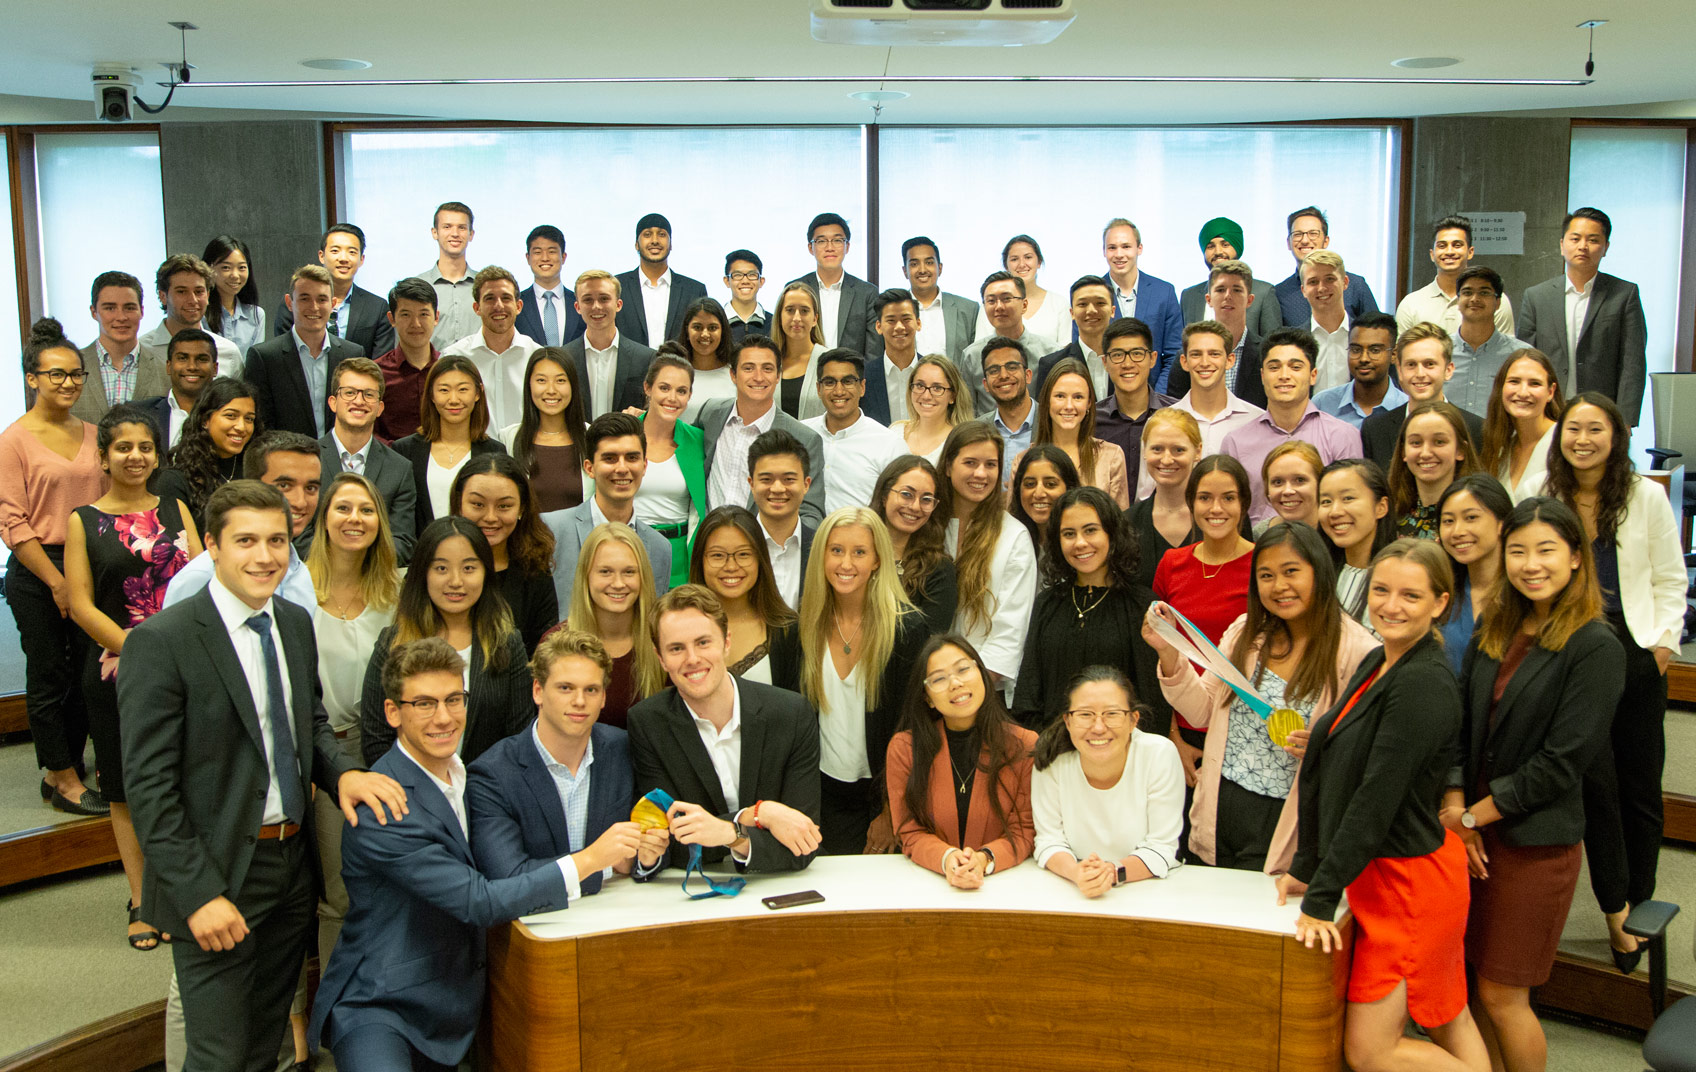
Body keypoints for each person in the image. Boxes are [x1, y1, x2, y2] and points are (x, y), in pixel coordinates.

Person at [119, 480, 405, 1072]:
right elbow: (149, 788)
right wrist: (198, 895)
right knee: (219, 1055)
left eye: (277, 540)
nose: (265, 555)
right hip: (216, 874)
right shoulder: (162, 642)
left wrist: (342, 776)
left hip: (288, 869)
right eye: (245, 540)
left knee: (265, 1044)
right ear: (211, 546)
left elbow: (312, 725)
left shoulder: (295, 623)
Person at [309, 638, 577, 1072]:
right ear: (393, 712)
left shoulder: (467, 775)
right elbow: (478, 901)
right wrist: (589, 860)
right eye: (424, 704)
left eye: (454, 699)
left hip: (458, 1004)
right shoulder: (384, 802)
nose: (444, 717)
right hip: (380, 1007)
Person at [1280, 539, 1490, 1072]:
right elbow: (1343, 759)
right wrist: (1309, 869)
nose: (1391, 605)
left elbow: (1375, 800)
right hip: (1390, 874)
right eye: (1381, 590)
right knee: (1448, 1017)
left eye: (1411, 596)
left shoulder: (1423, 682)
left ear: (1441, 603)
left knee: (1371, 1052)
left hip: (1409, 884)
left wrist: (1321, 897)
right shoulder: (1381, 658)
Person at [1446, 497, 1623, 1072]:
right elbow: (1459, 726)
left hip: (1532, 846)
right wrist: (1456, 807)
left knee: (1504, 995)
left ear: (1576, 557)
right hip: (1471, 840)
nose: (1530, 564)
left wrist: (1474, 817)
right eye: (1518, 550)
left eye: (1546, 550)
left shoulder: (1595, 646)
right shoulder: (1495, 627)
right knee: (1473, 990)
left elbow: (1560, 764)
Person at [1146, 522, 1377, 872]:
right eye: (1266, 575)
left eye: (1291, 572)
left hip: (1291, 817)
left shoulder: (1358, 650)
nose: (1279, 586)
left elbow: (1370, 747)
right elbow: (1203, 711)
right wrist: (1168, 652)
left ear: (1320, 572)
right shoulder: (1245, 632)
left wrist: (1326, 745)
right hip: (1223, 806)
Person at [1546, 393, 1686, 971]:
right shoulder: (1547, 496)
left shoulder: (1645, 496)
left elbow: (1670, 577)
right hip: (1572, 653)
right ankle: (1617, 908)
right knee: (1597, 784)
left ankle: (1644, 901)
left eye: (1594, 429)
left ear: (1615, 436)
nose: (1582, 438)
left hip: (1633, 648)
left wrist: (1661, 646)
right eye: (1573, 428)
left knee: (1639, 786)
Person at [64, 405, 199, 945]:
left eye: (145, 447)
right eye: (123, 448)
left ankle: (183, 888)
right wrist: (146, 651)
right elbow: (80, 605)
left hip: (189, 664)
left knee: (186, 780)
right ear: (103, 458)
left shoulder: (176, 509)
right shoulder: (83, 520)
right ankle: (142, 897)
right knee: (125, 787)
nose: (135, 457)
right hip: (119, 668)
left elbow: (201, 580)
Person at [628, 584, 823, 875]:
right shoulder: (648, 723)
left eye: (703, 642)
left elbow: (802, 843)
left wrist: (726, 830)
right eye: (676, 648)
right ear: (660, 658)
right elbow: (670, 842)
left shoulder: (791, 714)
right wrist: (757, 815)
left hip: (780, 884)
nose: (692, 658)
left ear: (726, 642)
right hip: (695, 889)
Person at [3, 320, 112, 815]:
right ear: (32, 379)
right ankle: (61, 776)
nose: (67, 383)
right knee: (50, 673)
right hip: (39, 568)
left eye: (75, 375)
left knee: (90, 671)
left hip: (88, 558)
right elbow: (12, 522)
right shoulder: (14, 441)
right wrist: (57, 582)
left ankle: (71, 758)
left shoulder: (94, 433)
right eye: (55, 375)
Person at [468, 625, 664, 887]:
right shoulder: (492, 774)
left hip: (621, 913)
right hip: (536, 923)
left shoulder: (624, 750)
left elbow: (649, 848)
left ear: (604, 697)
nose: (580, 701)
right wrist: (595, 861)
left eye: (591, 690)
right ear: (538, 691)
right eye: (565, 688)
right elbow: (509, 876)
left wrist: (646, 858)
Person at [302, 472, 400, 971]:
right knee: (338, 894)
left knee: (388, 881)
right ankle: (336, 1018)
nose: (354, 519)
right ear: (323, 519)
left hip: (385, 747)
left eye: (366, 510)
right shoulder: (295, 586)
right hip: (323, 752)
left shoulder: (397, 589)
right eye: (343, 508)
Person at [798, 508, 927, 854]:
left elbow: (914, 729)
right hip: (818, 795)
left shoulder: (908, 630)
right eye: (836, 550)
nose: (846, 563)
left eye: (859, 552)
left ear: (878, 561)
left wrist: (891, 812)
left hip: (881, 798)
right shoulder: (802, 628)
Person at [359, 517, 530, 765]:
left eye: (469, 568)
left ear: (486, 573)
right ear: (422, 573)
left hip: (487, 792)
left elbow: (518, 738)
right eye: (441, 568)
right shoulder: (393, 642)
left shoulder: (506, 642)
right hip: (409, 794)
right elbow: (376, 740)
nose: (456, 581)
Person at [886, 634, 1038, 886]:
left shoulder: (1023, 744)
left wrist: (984, 859)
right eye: (938, 679)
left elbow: (1024, 829)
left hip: (1006, 883)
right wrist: (947, 859)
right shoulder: (905, 748)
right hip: (930, 883)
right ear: (927, 697)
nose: (955, 683)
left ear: (982, 675)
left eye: (963, 669)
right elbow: (909, 830)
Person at [1014, 486, 1168, 733]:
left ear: (1112, 533)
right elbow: (1028, 693)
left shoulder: (1141, 605)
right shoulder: (1047, 603)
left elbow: (1152, 702)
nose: (1080, 543)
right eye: (1068, 534)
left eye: (1090, 530)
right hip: (1054, 754)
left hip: (1123, 755)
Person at [1151, 455, 1256, 806]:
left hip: (1244, 731)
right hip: (1182, 731)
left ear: (1244, 503)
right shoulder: (1172, 564)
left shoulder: (1263, 566)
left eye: (1228, 497)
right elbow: (1158, 650)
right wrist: (1172, 738)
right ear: (1191, 501)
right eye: (1205, 498)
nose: (1216, 508)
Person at [1032, 666, 1186, 894]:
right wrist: (1078, 874)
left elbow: (1161, 846)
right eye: (1085, 714)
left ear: (1134, 719)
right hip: (1073, 888)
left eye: (1112, 714)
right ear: (1067, 721)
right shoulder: (1052, 759)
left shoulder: (1159, 755)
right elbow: (1048, 840)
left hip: (1150, 887)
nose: (1098, 727)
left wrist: (1111, 873)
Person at [161, 430, 321, 612]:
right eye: (284, 486)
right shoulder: (201, 578)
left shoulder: (299, 574)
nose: (300, 502)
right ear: (251, 484)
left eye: (311, 488)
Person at [1515, 206, 1647, 424]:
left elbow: (1632, 363)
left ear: (1606, 247)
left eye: (1593, 240)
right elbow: (1525, 359)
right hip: (1547, 409)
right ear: (1562, 245)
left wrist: (1625, 419)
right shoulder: (1537, 296)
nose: (1583, 246)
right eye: (1575, 239)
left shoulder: (1624, 294)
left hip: (1602, 410)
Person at [1222, 328, 1362, 521]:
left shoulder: (1342, 436)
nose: (1284, 375)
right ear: (1262, 376)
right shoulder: (1235, 442)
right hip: (1258, 547)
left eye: (1295, 367)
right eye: (1274, 367)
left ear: (1313, 375)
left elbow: (1351, 506)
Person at [940, 421, 1038, 695]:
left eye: (990, 464)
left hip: (984, 692)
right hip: (923, 686)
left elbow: (1010, 631)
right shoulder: (927, 527)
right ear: (948, 467)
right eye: (970, 462)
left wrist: (965, 690)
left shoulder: (1013, 536)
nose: (980, 474)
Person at [542, 411, 672, 613]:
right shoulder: (551, 531)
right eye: (610, 458)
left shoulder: (659, 548)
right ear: (589, 468)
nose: (622, 468)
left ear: (644, 465)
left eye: (632, 457)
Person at [698, 335, 827, 527]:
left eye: (767, 369)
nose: (758, 377)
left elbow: (811, 515)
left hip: (766, 550)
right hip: (709, 545)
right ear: (733, 375)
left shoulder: (804, 439)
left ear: (778, 376)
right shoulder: (711, 414)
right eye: (748, 368)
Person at [452, 453, 559, 654]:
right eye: (478, 505)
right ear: (459, 503)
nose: (490, 517)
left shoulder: (535, 571)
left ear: (522, 508)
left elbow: (545, 651)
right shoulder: (433, 561)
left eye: (504, 506)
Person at [563, 523, 667, 729]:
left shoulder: (663, 641)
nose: (618, 583)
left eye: (629, 572)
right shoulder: (558, 644)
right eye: (605, 572)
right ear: (586, 576)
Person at [389, 354, 508, 532]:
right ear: (431, 395)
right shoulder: (405, 450)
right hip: (418, 555)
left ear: (478, 393)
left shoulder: (494, 451)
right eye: (444, 390)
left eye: (462, 390)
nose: (453, 399)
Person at [244, 265, 366, 438]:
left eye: (322, 299)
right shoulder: (264, 358)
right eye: (304, 298)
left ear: (332, 304)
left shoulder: (352, 354)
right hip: (286, 458)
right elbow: (261, 424)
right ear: (289, 303)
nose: (314, 307)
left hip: (339, 460)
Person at [318, 356, 417, 562]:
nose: (359, 401)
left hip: (375, 583)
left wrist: (359, 564)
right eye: (350, 392)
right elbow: (299, 533)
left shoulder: (400, 468)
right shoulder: (308, 460)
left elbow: (403, 541)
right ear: (333, 402)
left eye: (369, 394)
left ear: (380, 408)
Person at [690, 506, 800, 688]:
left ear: (760, 559)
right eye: (718, 555)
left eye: (743, 554)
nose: (731, 566)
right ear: (700, 560)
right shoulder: (679, 626)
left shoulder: (788, 630)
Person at [1360, 323, 1487, 472]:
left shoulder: (1477, 429)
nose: (1420, 374)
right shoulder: (1375, 430)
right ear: (1399, 371)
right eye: (1411, 364)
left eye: (1429, 364)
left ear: (1448, 370)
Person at [633, 350, 707, 586]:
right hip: (628, 548)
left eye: (681, 391)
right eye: (664, 388)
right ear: (648, 388)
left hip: (679, 557)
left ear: (690, 396)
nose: (672, 398)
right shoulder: (624, 432)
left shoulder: (697, 441)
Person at [801, 348, 904, 515]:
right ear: (819, 389)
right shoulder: (800, 434)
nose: (839, 391)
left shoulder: (889, 444)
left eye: (848, 381)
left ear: (862, 387)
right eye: (829, 382)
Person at [1017, 357, 1130, 509]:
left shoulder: (1112, 456)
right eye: (1060, 396)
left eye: (1078, 397)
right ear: (1047, 400)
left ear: (1089, 402)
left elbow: (1119, 523)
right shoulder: (1022, 460)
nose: (1069, 406)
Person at [270, 224, 396, 360]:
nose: (343, 258)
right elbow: (284, 353)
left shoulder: (377, 307)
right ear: (321, 256)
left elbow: (380, 363)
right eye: (335, 251)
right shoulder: (296, 303)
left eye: (352, 252)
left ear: (361, 260)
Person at [1162, 319, 1263, 485]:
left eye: (1214, 354)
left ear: (1230, 360)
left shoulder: (1257, 422)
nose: (1205, 363)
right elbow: (1147, 495)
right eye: (1196, 354)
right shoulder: (1163, 423)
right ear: (1184, 362)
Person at [440, 265, 539, 432]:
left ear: (519, 306)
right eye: (489, 298)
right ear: (476, 308)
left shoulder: (536, 356)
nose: (498, 305)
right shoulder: (455, 357)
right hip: (474, 455)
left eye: (506, 298)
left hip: (525, 456)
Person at [871, 455, 959, 638]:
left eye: (926, 499)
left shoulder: (939, 569)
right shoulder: (857, 551)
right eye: (906, 494)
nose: (915, 507)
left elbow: (930, 643)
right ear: (885, 495)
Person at [153, 377, 259, 527]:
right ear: (205, 420)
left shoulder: (258, 471)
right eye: (231, 416)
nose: (242, 427)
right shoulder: (175, 481)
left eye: (249, 419)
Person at [1436, 473, 1512, 675]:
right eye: (1448, 521)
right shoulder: (1440, 591)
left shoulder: (1524, 591)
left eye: (1471, 518)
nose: (1458, 531)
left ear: (1501, 524)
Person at [1396, 214, 1518, 339]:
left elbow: (1505, 352)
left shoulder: (1495, 300)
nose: (1449, 252)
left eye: (1457, 245)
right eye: (1442, 246)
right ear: (1432, 254)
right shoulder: (1411, 304)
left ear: (1470, 252)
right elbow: (1402, 355)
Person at [497, 347, 588, 514]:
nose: (551, 390)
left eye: (560, 381)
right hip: (526, 539)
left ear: (573, 385)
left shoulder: (591, 436)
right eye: (541, 380)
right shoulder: (508, 438)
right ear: (529, 385)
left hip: (582, 539)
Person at [1167, 260, 1268, 404]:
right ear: (1208, 299)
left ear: (1250, 300)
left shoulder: (1265, 353)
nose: (1228, 296)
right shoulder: (1187, 355)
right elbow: (1176, 408)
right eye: (1220, 290)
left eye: (1237, 290)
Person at [74, 271, 169, 422]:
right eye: (110, 308)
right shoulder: (72, 368)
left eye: (129, 308)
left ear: (142, 311)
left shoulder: (166, 371)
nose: (121, 317)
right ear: (94, 312)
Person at [1099, 219, 1184, 390]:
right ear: (1104, 251)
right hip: (1106, 402)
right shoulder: (1093, 295)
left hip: (1155, 399)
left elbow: (1174, 354)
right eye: (1112, 248)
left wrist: (1158, 398)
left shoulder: (1164, 292)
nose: (1119, 254)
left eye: (1126, 246)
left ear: (1139, 248)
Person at [1093, 317, 1175, 491]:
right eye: (1117, 355)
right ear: (1105, 363)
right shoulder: (1091, 420)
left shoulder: (1176, 415)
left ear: (1153, 359)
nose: (1128, 364)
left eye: (1137, 353)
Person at [1126, 408, 1201, 589]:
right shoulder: (1127, 522)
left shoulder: (1223, 517)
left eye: (1178, 450)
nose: (1166, 460)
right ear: (1144, 451)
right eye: (1157, 449)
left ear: (1198, 452)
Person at [566, 268, 656, 419]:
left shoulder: (646, 358)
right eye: (588, 300)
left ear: (618, 304)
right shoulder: (564, 358)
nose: (596, 306)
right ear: (578, 307)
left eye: (604, 299)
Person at [1477, 348, 1562, 504]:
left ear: (1550, 392)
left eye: (1534, 384)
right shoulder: (1500, 448)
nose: (1523, 392)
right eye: (1514, 381)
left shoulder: (1564, 441)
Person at [790, 211, 880, 359]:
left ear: (847, 246)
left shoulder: (867, 293)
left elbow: (873, 353)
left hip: (851, 379)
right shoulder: (796, 289)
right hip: (805, 376)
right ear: (811, 248)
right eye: (821, 241)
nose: (830, 247)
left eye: (837, 241)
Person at [1317, 458, 1395, 625]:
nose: (1335, 511)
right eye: (1326, 502)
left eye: (1348, 498)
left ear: (1381, 507)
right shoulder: (1316, 575)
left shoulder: (1401, 577)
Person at [614, 212, 708, 347]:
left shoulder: (694, 291)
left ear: (671, 244)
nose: (655, 240)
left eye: (662, 234)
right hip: (630, 368)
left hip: (680, 366)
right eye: (647, 234)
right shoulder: (617, 287)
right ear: (636, 245)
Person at [1274, 206, 1380, 325]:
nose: (1304, 240)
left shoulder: (1356, 285)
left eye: (1313, 233)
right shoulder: (1280, 293)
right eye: (1298, 234)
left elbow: (1377, 331)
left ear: (1326, 241)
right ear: (1288, 243)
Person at [1179, 217, 1282, 339]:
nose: (1218, 251)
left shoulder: (1263, 292)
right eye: (1210, 246)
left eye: (1225, 245)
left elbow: (1274, 343)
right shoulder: (1189, 296)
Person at [141, 255, 243, 379]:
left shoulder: (228, 353)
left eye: (199, 291)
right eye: (182, 291)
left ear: (208, 295)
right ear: (163, 296)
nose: (193, 300)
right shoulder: (142, 351)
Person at [1389, 401, 1477, 540]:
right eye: (1416, 443)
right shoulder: (1388, 516)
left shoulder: (1478, 515)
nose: (1425, 453)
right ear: (1403, 452)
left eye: (1439, 442)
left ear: (1460, 450)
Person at [1447, 266, 1525, 417]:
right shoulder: (1439, 351)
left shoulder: (1520, 355)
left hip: (1499, 439)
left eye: (1484, 292)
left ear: (1498, 302)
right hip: (1448, 438)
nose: (1475, 299)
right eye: (1467, 292)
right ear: (1458, 300)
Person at [973, 234, 1067, 355]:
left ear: (1039, 262)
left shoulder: (1059, 303)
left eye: (1028, 257)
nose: (1022, 264)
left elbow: (1064, 350)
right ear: (1006, 266)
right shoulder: (992, 305)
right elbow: (980, 348)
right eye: (1014, 259)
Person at [373, 278, 441, 444]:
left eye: (424, 314)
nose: (416, 324)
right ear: (392, 319)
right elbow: (370, 432)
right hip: (393, 463)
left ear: (436, 317)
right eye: (405, 314)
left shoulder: (448, 369)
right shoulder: (377, 374)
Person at [959, 271, 1037, 415]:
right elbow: (967, 411)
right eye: (991, 301)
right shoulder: (972, 355)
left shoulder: (1049, 352)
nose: (999, 307)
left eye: (1006, 299)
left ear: (1024, 305)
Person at [1310, 313, 1407, 428]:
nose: (1364, 358)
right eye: (1356, 350)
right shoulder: (1323, 404)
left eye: (1375, 350)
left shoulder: (1406, 408)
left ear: (1394, 354)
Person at [1032, 275, 1115, 400]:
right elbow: (1044, 414)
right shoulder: (1051, 364)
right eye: (1082, 304)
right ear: (1072, 313)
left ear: (1112, 311)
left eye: (1100, 303)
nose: (1091, 310)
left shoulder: (1127, 359)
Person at [134, 328, 217, 450]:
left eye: (202, 359)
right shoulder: (138, 414)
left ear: (215, 368)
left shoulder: (230, 417)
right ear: (168, 366)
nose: (192, 367)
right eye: (183, 358)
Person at [901, 236, 978, 364]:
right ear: (905, 271)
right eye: (914, 264)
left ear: (940, 268)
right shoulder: (892, 311)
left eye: (929, 262)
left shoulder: (969, 309)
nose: (922, 270)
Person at [414, 201, 480, 348]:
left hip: (479, 370)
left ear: (471, 234)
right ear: (434, 232)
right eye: (447, 227)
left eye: (462, 228)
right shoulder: (418, 286)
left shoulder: (486, 286)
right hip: (431, 370)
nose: (455, 234)